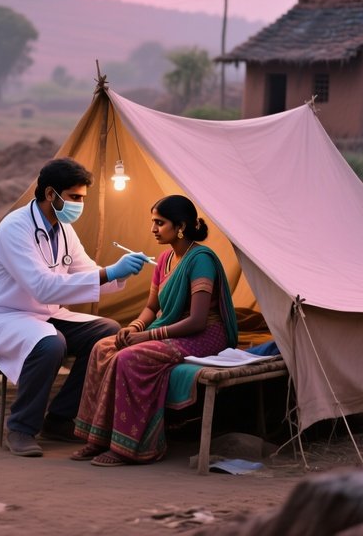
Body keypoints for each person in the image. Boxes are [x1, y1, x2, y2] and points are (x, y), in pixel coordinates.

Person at [0, 157, 149, 458]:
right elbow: (42, 286)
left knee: (107, 332)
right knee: (51, 343)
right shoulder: (15, 228)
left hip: (42, 315)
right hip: (1, 317)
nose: (80, 205)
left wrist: (121, 273)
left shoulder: (63, 230)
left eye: (83, 198)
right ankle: (21, 428)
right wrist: (109, 272)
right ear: (51, 194)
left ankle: (60, 418)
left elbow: (86, 271)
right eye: (75, 197)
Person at [71, 194, 238, 466]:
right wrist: (134, 327)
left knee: (129, 357)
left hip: (203, 335)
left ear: (181, 226)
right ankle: (97, 438)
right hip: (172, 329)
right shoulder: (164, 259)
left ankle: (128, 447)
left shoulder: (201, 260)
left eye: (159, 223)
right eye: (153, 222)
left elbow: (196, 320)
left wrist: (146, 336)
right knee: (103, 347)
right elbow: (152, 307)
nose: (153, 229)